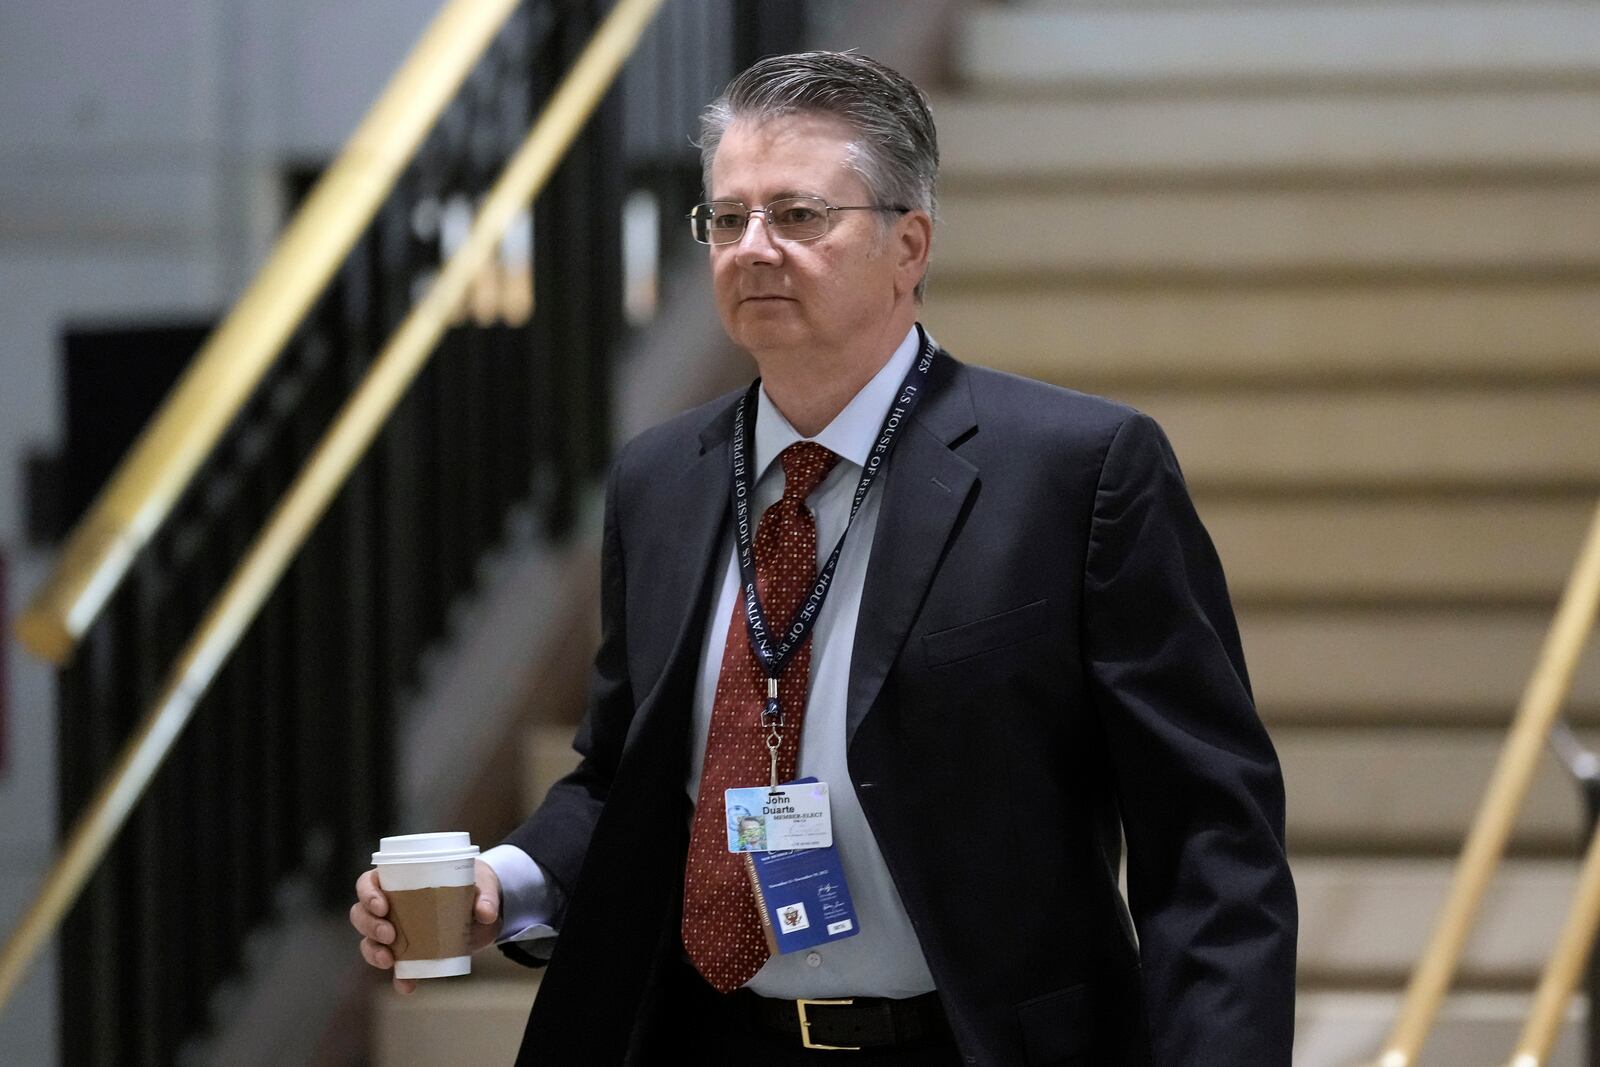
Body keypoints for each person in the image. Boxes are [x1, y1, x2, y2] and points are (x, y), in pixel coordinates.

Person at [351, 50, 1296, 1065]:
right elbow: (624, 772)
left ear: (908, 244)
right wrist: (511, 880)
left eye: (798, 216)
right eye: (726, 217)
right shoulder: (660, 479)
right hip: (710, 1037)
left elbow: (1210, 840)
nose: (753, 248)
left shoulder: (1075, 472)